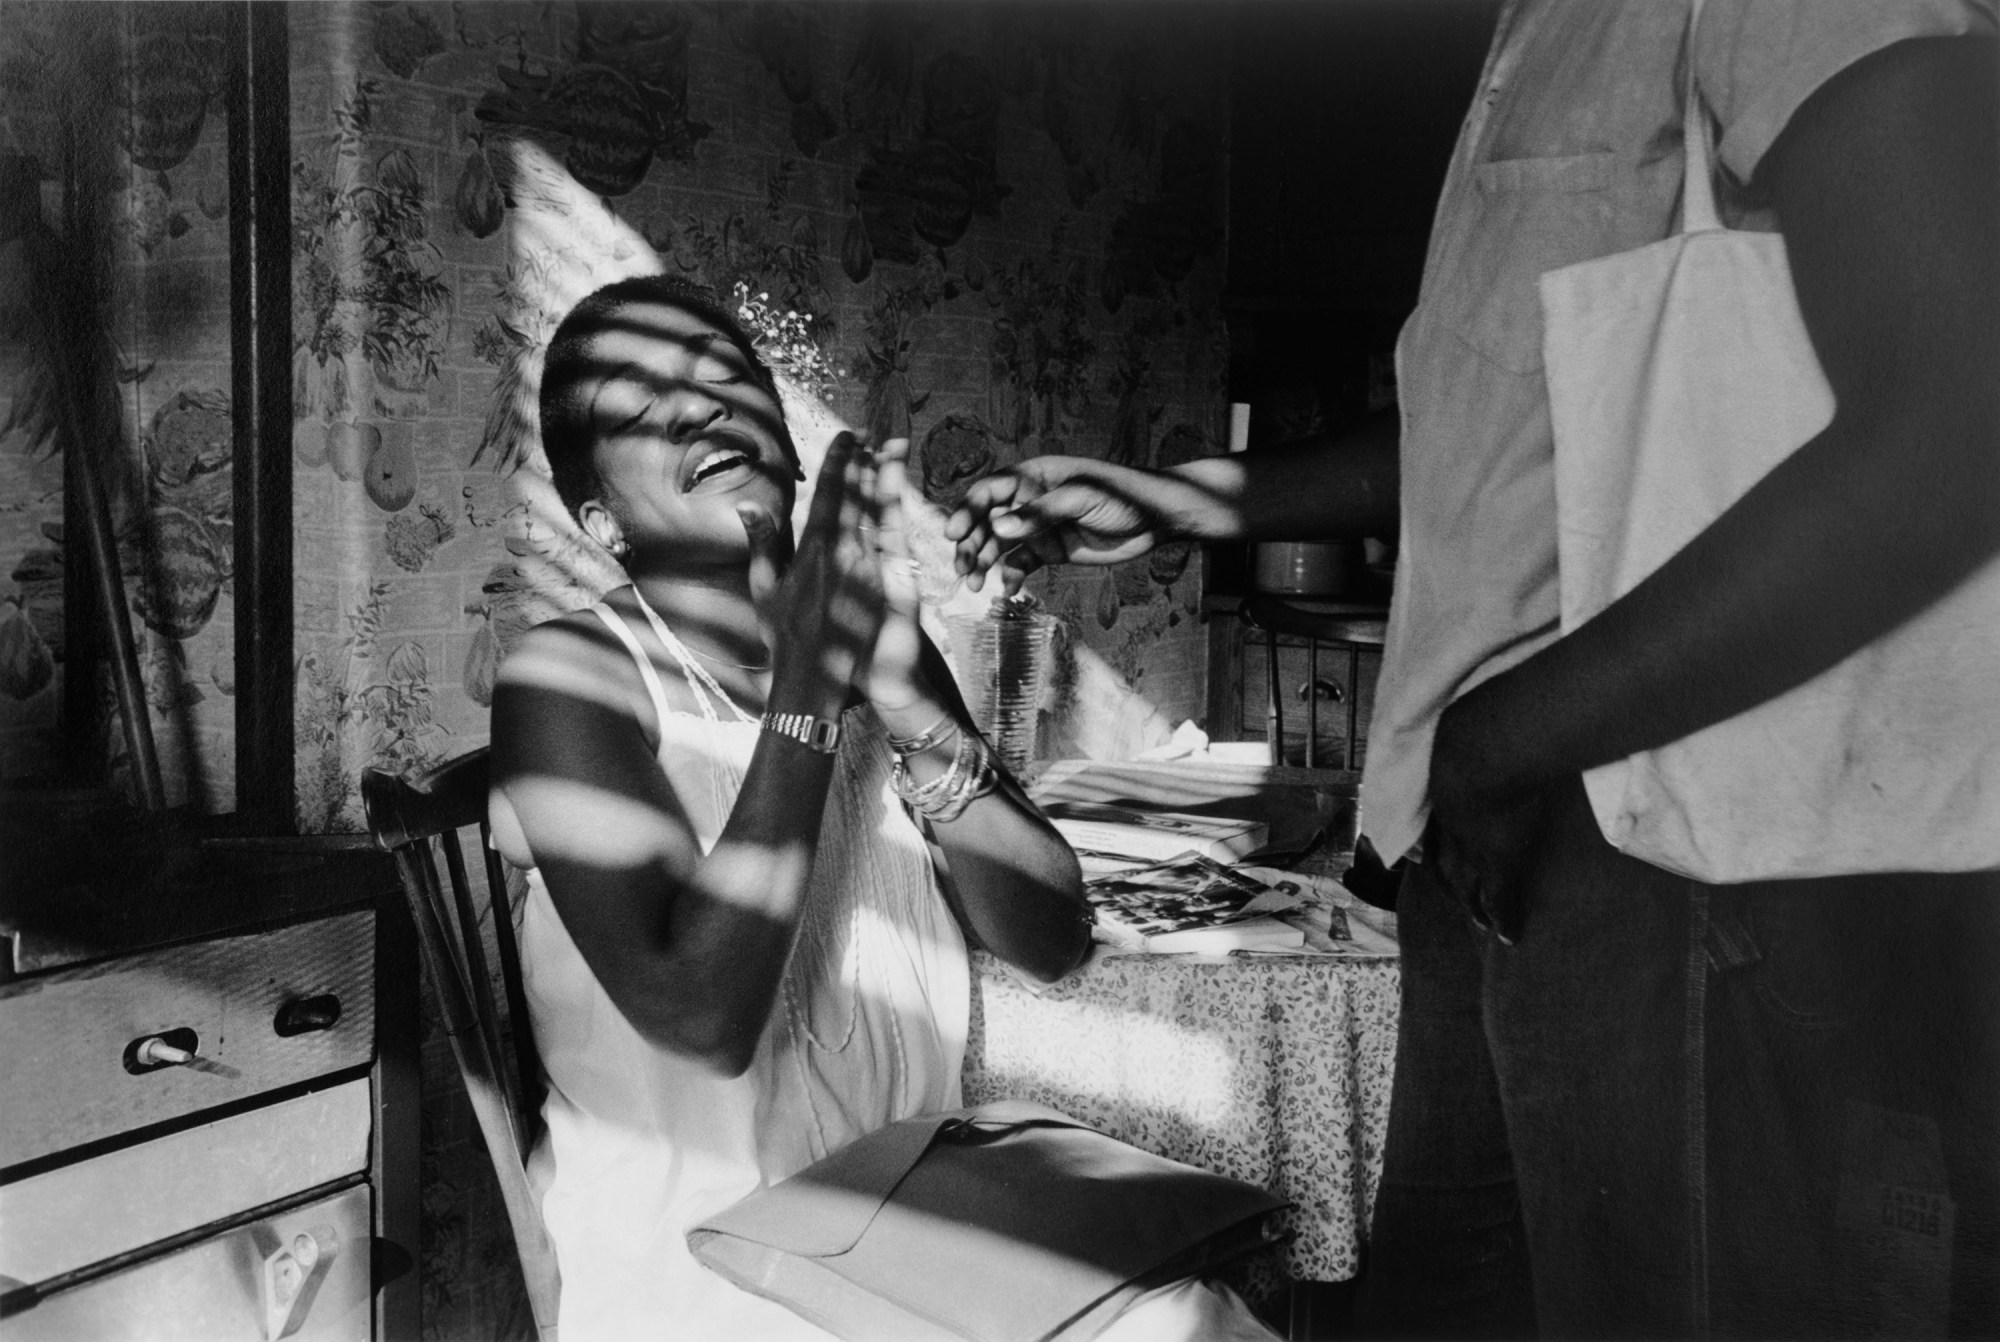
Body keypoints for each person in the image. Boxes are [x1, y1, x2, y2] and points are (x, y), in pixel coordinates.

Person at [947, 5, 1999, 1338]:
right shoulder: (1544, 30)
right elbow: (1492, 425)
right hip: (1496, 830)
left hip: (1661, 830)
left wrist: (1509, 735)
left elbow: (1955, 424)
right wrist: (1178, 497)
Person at [487, 275, 1280, 1341]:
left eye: (724, 378)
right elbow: (699, 1022)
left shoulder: (875, 637)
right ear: (600, 519)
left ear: (787, 435)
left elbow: (1046, 934)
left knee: (1191, 1318)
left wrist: (906, 698)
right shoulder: (568, 679)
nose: (696, 409)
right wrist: (809, 684)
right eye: (638, 407)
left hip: (913, 1216)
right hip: (703, 1260)